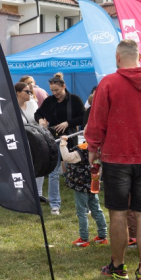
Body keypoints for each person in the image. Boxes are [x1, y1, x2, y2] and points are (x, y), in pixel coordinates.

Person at [85, 39, 141, 280]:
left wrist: (92, 148)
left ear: (118, 57)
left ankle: (118, 266)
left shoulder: (109, 83)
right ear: (140, 57)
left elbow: (97, 119)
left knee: (118, 214)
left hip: (116, 158)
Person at [34, 73, 85, 215]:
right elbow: (38, 113)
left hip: (70, 139)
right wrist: (41, 121)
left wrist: (69, 122)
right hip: (54, 140)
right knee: (54, 172)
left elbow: (83, 117)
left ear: (64, 86)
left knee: (77, 171)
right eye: (52, 91)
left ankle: (83, 205)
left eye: (57, 90)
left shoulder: (74, 100)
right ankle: (55, 205)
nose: (55, 93)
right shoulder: (49, 101)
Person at [59, 135, 108, 247]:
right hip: (93, 183)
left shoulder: (81, 150)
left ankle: (84, 238)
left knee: (82, 212)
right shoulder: (100, 148)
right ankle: (102, 236)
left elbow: (66, 157)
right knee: (96, 209)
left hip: (80, 185)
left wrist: (63, 143)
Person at [15, 82, 47, 203]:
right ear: (18, 93)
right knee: (22, 166)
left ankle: (38, 193)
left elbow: (38, 116)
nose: (30, 93)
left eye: (30, 91)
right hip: (20, 140)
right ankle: (22, 192)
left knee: (40, 164)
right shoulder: (11, 106)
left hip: (35, 138)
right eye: (26, 91)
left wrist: (41, 121)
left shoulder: (32, 103)